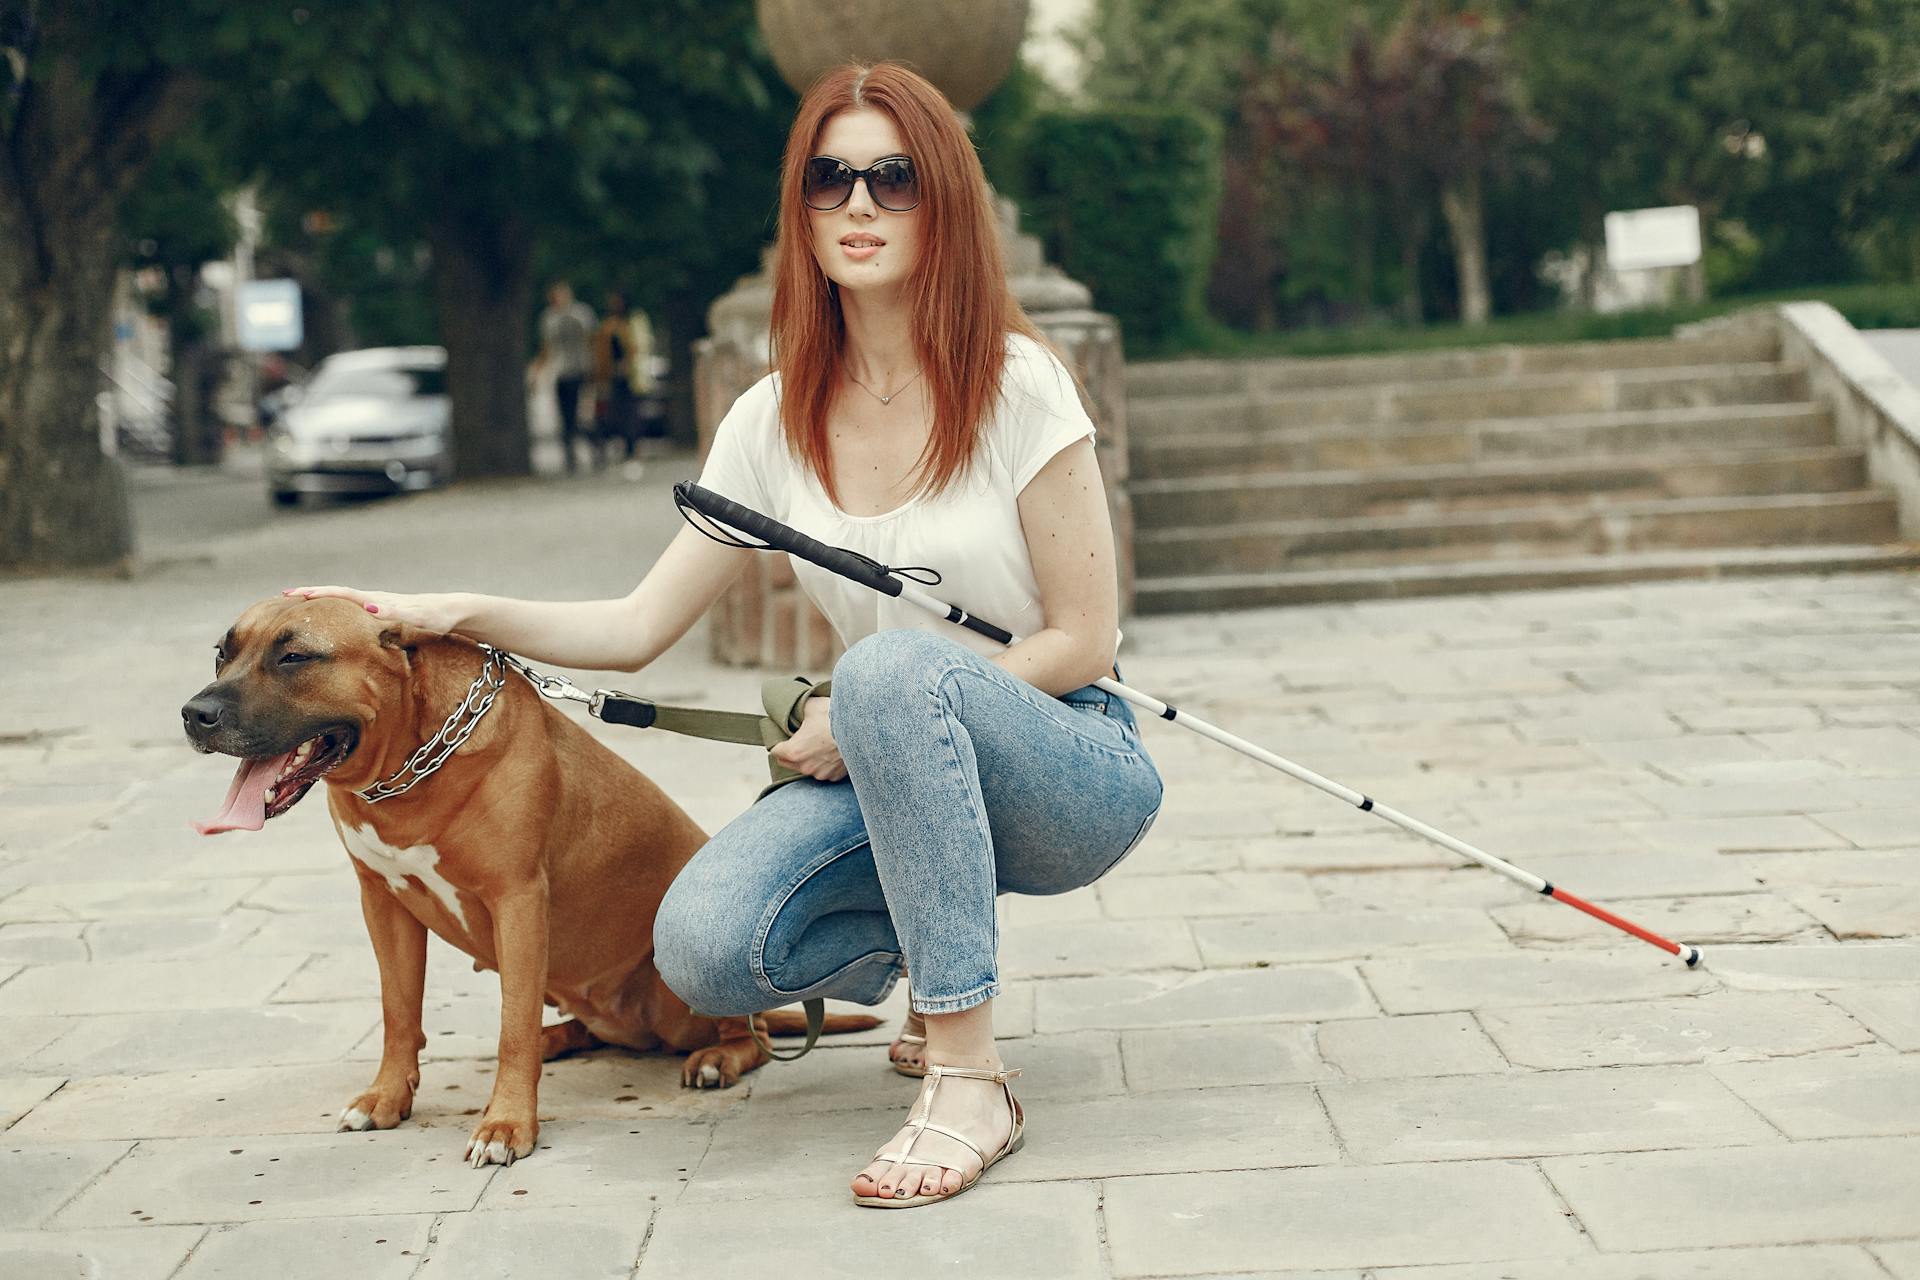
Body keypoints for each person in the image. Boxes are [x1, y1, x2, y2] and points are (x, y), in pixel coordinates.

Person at [284, 61, 1163, 1208]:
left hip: (1069, 760)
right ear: (798, 208)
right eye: (828, 178)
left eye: (892, 178)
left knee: (890, 666)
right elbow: (638, 625)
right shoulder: (770, 417)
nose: (858, 205)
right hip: (892, 762)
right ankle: (935, 930)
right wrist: (453, 611)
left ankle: (966, 1071)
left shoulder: (1017, 382)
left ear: (942, 197)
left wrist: (864, 709)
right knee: (700, 942)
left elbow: (1087, 638)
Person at [532, 280, 597, 472]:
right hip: (560, 371)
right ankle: (570, 455)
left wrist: (594, 367)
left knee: (583, 413)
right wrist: (538, 372)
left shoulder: (581, 314)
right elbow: (546, 347)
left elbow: (592, 341)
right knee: (565, 414)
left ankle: (594, 448)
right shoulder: (549, 319)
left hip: (580, 368)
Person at [591, 290, 652, 466]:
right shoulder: (609, 324)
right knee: (615, 413)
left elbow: (639, 345)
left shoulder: (634, 320)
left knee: (633, 412)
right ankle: (622, 446)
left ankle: (633, 448)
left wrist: (628, 363)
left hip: (632, 375)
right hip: (613, 375)